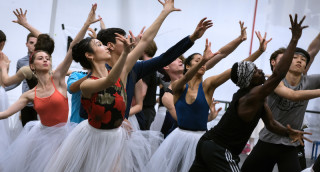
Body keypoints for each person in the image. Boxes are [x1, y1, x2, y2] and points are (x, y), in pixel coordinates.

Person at [44, 1, 180, 171]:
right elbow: (109, 81)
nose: (104, 46)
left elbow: (145, 42)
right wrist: (125, 53)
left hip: (114, 137)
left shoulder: (121, 72)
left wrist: (165, 12)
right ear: (89, 55)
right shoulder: (86, 83)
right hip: (92, 138)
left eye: (102, 43)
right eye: (99, 45)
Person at [189, 14, 310, 172]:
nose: (260, 71)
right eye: (255, 71)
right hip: (220, 149)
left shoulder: (257, 98)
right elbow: (278, 74)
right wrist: (294, 40)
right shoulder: (252, 95)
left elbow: (271, 124)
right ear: (249, 79)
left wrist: (288, 132)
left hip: (208, 143)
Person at [0, 4, 99, 171]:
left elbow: (72, 48)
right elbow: (4, 114)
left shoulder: (58, 78)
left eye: (47, 57)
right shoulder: (30, 95)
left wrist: (86, 23)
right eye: (40, 58)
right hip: (41, 138)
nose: (46, 60)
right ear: (32, 66)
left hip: (64, 137)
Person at [241, 37, 320, 172]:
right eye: (295, 57)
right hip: (267, 141)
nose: (300, 60)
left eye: (303, 59)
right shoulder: (275, 80)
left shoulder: (310, 81)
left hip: (291, 144)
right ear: (286, 62)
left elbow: (312, 50)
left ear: (306, 66)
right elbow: (293, 96)